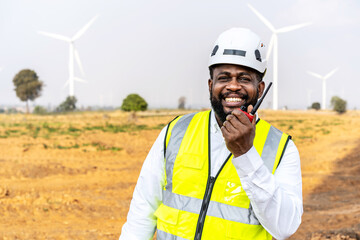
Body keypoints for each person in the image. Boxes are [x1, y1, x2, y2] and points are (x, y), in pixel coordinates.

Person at [119, 28, 303, 240]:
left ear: (260, 89)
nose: (233, 86)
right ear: (211, 85)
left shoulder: (281, 148)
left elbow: (285, 226)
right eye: (224, 77)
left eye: (244, 78)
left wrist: (246, 155)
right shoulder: (176, 131)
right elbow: (142, 211)